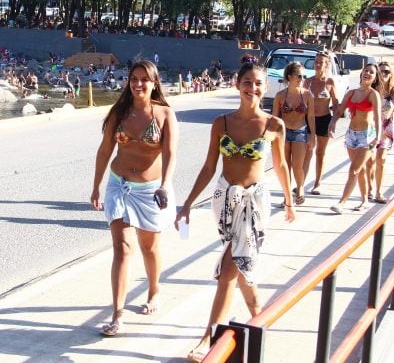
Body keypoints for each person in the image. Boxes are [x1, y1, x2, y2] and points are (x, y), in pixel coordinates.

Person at [176, 55, 295, 363]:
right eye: (246, 83)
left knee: (230, 269)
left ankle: (208, 338)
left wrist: (290, 199)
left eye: (258, 83)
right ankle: (261, 318)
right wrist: (187, 203)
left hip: (255, 202)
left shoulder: (273, 125)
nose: (252, 88)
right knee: (241, 268)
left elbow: (280, 164)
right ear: (236, 85)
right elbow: (207, 167)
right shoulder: (222, 123)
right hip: (224, 200)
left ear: (266, 86)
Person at [90, 60, 178, 337]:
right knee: (122, 248)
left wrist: (165, 184)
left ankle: (154, 291)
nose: (138, 84)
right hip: (119, 186)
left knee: (149, 248)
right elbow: (105, 151)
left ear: (154, 83)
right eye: (134, 79)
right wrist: (96, 186)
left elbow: (171, 154)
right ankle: (118, 314)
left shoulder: (165, 114)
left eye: (144, 80)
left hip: (149, 190)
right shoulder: (119, 113)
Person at [328, 63, 381, 213]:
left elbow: (377, 117)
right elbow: (339, 111)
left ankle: (341, 202)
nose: (368, 74)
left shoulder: (373, 94)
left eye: (371, 73)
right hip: (351, 135)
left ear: (375, 78)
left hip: (367, 136)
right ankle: (364, 200)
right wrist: (332, 123)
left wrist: (378, 137)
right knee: (360, 170)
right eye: (366, 71)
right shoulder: (351, 93)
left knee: (353, 170)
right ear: (361, 73)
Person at [272, 61, 315, 206]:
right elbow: (275, 118)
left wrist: (312, 136)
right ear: (290, 77)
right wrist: (272, 136)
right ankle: (287, 196)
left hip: (300, 131)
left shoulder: (308, 95)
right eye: (299, 76)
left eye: (304, 76)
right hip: (283, 133)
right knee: (285, 166)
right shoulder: (280, 96)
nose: (302, 79)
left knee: (298, 165)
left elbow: (310, 117)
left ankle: (300, 189)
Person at [364, 61, 394, 203]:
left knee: (381, 160)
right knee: (369, 161)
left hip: (386, 129)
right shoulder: (371, 90)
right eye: (381, 72)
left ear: (391, 74)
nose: (384, 74)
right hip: (371, 129)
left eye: (387, 71)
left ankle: (379, 192)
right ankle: (369, 189)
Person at [303, 52, 340, 195]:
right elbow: (302, 101)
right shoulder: (308, 82)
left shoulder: (329, 82)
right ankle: (301, 183)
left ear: (326, 65)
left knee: (320, 153)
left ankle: (317, 183)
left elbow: (336, 103)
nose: (318, 64)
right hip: (309, 120)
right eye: (316, 62)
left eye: (321, 62)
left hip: (324, 119)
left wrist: (333, 122)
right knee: (308, 152)